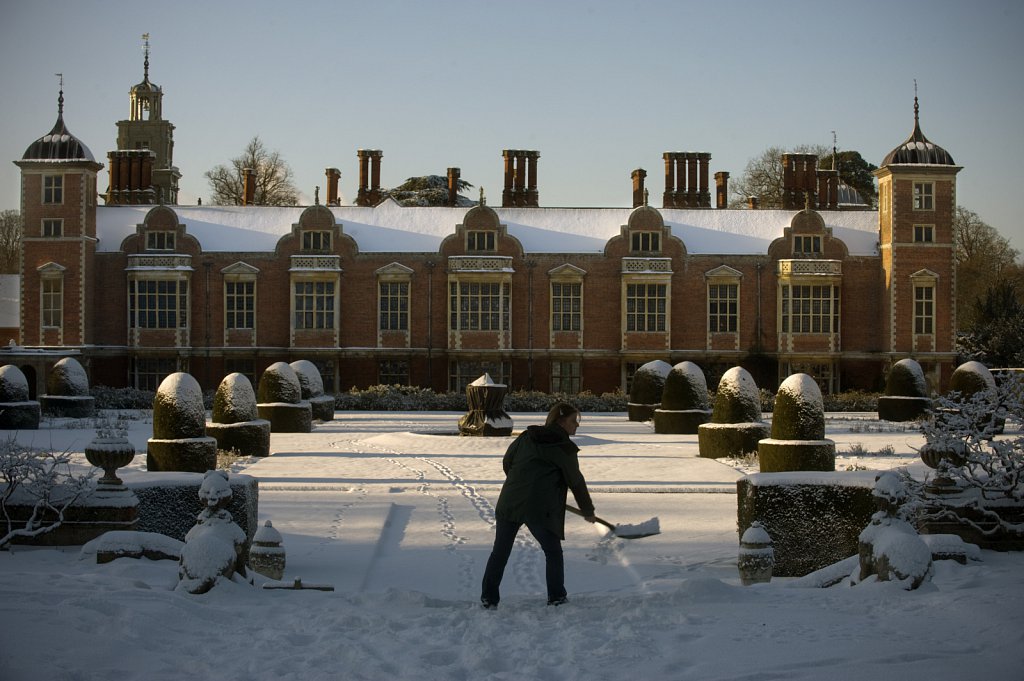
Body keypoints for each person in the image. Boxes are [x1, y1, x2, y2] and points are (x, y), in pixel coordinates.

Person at [480, 402, 596, 609]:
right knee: (553, 552)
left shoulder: (526, 437)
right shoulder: (563, 448)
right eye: (573, 421)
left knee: (500, 552)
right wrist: (587, 509)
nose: (576, 426)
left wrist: (521, 485)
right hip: (539, 509)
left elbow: (508, 462)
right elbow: (576, 481)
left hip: (510, 501)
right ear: (560, 421)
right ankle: (557, 597)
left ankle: (488, 599)